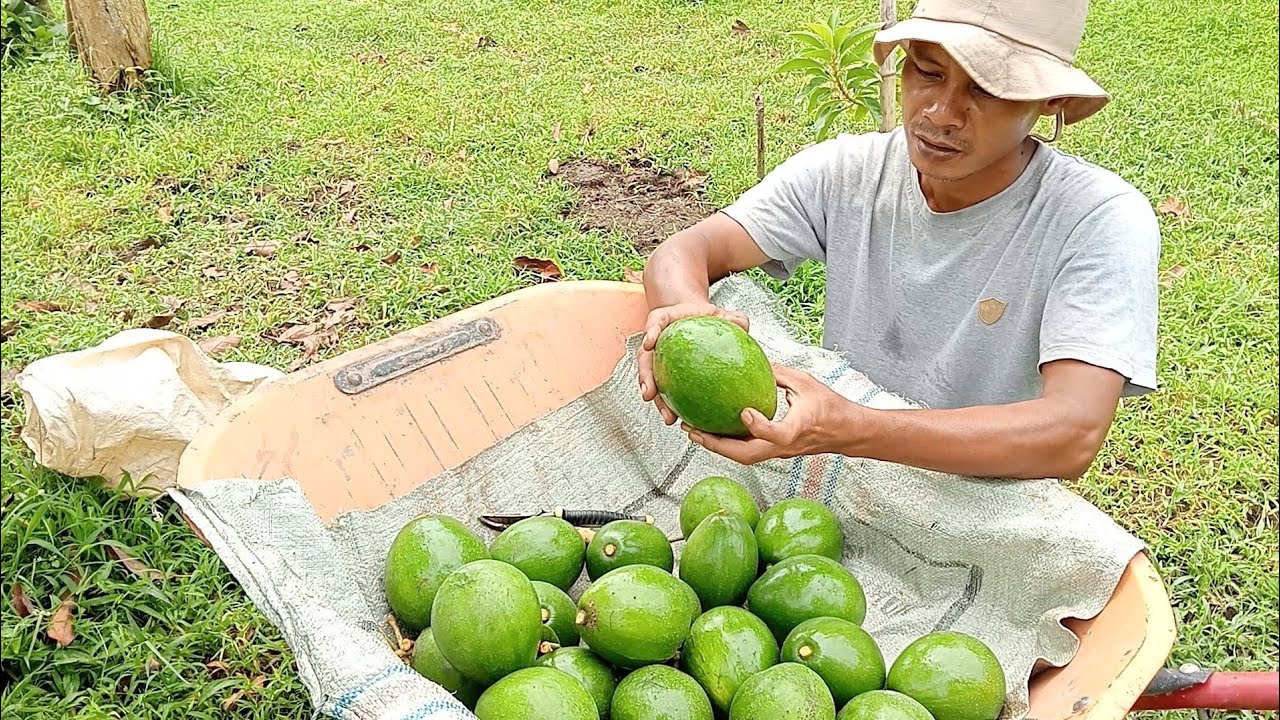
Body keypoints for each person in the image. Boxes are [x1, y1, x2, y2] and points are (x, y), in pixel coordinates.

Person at [635, 0, 1161, 481]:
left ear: (1050, 101)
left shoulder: (1096, 219)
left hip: (983, 496)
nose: (941, 113)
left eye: (986, 90)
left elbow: (1070, 434)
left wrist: (852, 427)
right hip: (841, 480)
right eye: (928, 72)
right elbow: (685, 251)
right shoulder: (849, 172)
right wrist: (685, 315)